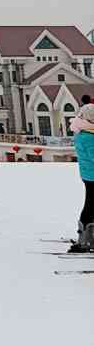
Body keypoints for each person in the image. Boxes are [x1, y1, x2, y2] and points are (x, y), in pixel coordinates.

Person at [69, 95, 94, 252]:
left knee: (91, 204)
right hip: (92, 176)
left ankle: (88, 237)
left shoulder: (84, 133)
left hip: (89, 175)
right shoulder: (88, 136)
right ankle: (85, 238)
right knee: (90, 204)